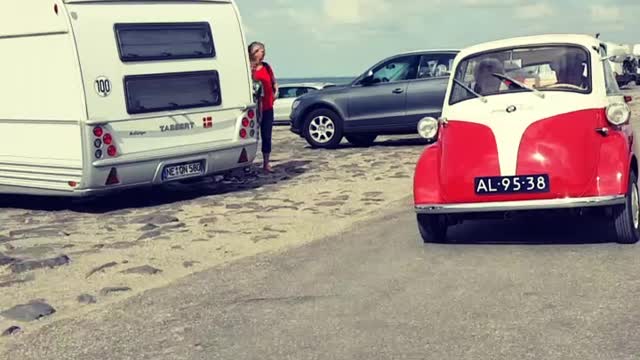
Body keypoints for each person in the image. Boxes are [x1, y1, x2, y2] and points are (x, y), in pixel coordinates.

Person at [248, 41, 277, 173]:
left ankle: (266, 163)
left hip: (267, 108)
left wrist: (275, 92)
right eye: (260, 50)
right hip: (253, 109)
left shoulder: (266, 67)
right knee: (251, 136)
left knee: (267, 136)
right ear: (253, 52)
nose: (263, 52)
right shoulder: (248, 68)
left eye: (263, 50)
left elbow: (274, 83)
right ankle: (247, 163)